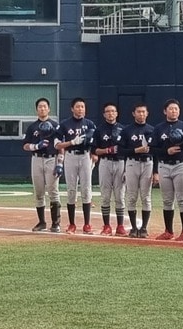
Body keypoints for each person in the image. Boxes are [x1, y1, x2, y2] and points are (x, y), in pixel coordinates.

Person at [54, 97, 96, 233]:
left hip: (85, 156)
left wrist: (94, 153)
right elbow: (57, 144)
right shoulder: (65, 124)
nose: (80, 109)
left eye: (82, 107)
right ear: (72, 109)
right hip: (71, 156)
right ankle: (72, 224)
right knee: (71, 189)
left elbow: (95, 141)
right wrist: (72, 142)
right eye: (77, 107)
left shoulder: (90, 124)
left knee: (86, 189)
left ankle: (87, 224)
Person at [22, 98, 62, 231]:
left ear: (49, 109)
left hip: (52, 158)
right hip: (37, 159)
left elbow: (61, 146)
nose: (42, 109)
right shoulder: (32, 127)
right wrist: (36, 146)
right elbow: (25, 146)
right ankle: (41, 222)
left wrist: (60, 163)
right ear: (36, 109)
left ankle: (56, 223)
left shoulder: (56, 126)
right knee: (39, 192)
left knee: (53, 190)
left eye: (45, 106)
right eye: (40, 107)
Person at [153, 99, 183, 240]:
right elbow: (153, 149)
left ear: (179, 111)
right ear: (165, 111)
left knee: (182, 199)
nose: (174, 111)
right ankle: (168, 231)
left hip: (181, 164)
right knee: (167, 200)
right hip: (164, 165)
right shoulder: (158, 128)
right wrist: (166, 151)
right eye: (171, 109)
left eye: (176, 109)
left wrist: (181, 149)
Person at [118, 103, 156, 237]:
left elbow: (156, 151)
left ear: (147, 113)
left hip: (147, 163)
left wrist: (155, 171)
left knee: (146, 196)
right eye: (138, 112)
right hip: (132, 163)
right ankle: (134, 228)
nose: (141, 114)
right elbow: (120, 151)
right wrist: (136, 150)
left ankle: (144, 228)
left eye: (143, 112)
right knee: (132, 196)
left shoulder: (152, 130)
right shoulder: (127, 131)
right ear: (133, 113)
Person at [92, 102, 128, 235]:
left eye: (113, 111)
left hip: (120, 163)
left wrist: (126, 169)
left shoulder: (124, 130)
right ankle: (106, 226)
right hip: (105, 163)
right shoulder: (99, 130)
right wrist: (107, 149)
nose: (110, 113)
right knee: (105, 195)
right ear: (104, 114)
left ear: (117, 113)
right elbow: (94, 150)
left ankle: (120, 226)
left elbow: (127, 149)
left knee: (120, 195)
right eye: (107, 111)